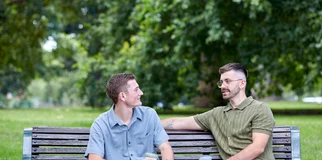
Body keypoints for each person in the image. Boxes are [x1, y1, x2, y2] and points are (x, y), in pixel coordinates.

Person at [162, 63, 275, 160]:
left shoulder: (260, 109)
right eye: (221, 82)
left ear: (242, 83)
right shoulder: (216, 114)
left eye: (227, 81)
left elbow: (258, 147)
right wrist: (149, 122)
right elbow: (178, 122)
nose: (223, 86)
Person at [85, 73, 174, 160]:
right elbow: (94, 158)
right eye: (136, 90)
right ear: (122, 96)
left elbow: (165, 147)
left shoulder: (149, 115)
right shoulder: (101, 124)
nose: (141, 93)